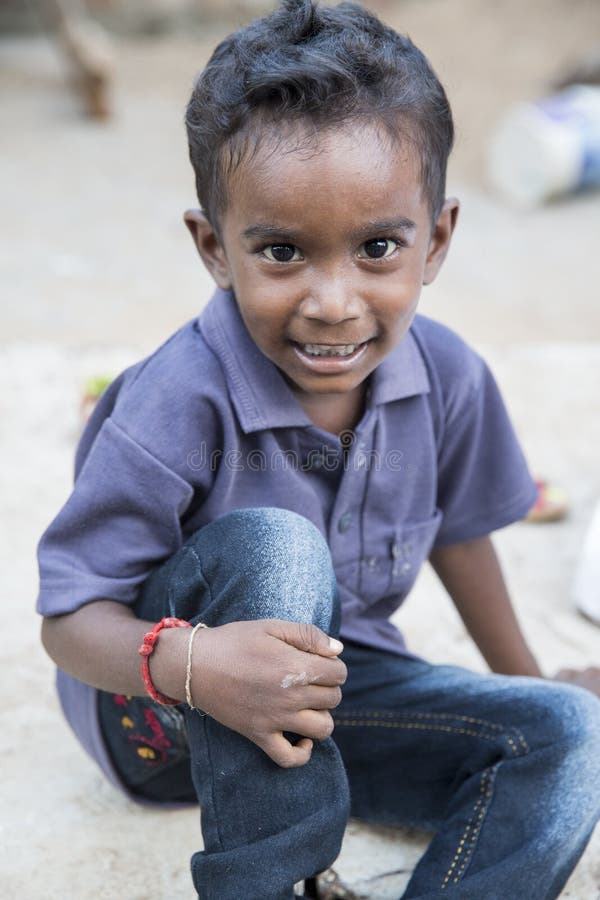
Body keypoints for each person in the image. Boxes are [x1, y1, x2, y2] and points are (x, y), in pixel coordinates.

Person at [36, 1, 600, 898]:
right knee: (276, 545)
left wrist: (528, 683)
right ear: (216, 248)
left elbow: (459, 535)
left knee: (569, 734)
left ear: (438, 239)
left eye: (379, 247)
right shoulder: (176, 398)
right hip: (163, 709)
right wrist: (196, 666)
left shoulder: (448, 379)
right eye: (284, 252)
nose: (334, 301)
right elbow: (68, 622)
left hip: (327, 700)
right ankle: (275, 881)